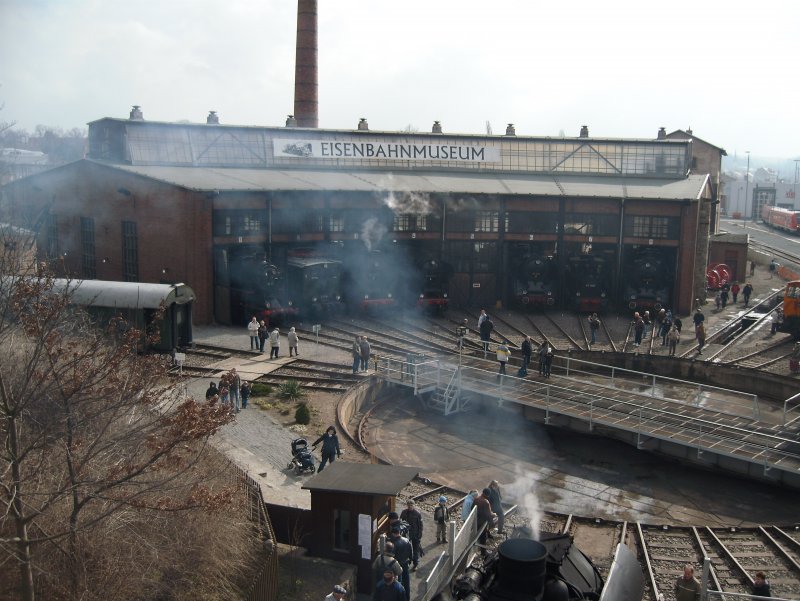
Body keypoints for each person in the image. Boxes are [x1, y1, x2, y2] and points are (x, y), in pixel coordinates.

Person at [389, 524, 412, 601]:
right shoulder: (406, 540)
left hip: (398, 565)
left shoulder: (394, 544)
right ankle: (407, 598)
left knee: (399, 583)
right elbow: (411, 552)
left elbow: (392, 556)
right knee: (407, 582)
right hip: (406, 563)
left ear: (393, 534)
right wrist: (410, 560)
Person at [400, 500, 423, 570]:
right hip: (406, 534)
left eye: (411, 505)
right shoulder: (404, 512)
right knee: (406, 549)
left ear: (414, 505)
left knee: (416, 550)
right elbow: (401, 522)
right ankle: (407, 563)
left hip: (415, 534)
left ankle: (415, 564)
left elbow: (420, 526)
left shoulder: (417, 514)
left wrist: (419, 535)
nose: (410, 506)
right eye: (408, 505)